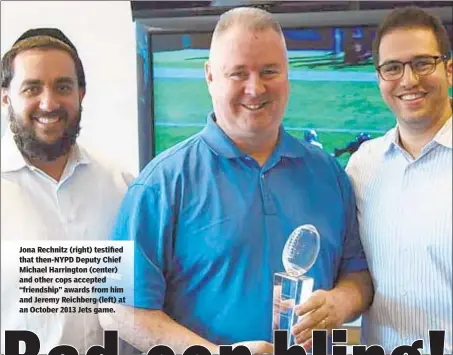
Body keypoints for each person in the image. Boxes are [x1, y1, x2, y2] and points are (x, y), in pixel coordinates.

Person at [101, 7, 373, 354]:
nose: (255, 88)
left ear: (288, 74)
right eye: (238, 73)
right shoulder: (156, 185)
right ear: (210, 76)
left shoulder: (329, 174)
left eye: (269, 71)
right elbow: (122, 310)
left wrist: (339, 303)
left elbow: (358, 276)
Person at [1, 28, 133, 353]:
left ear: (80, 94)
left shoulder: (123, 186)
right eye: (32, 88)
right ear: (6, 96)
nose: (49, 103)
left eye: (63, 87)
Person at [346, 6, 452, 354]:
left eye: (423, 63)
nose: (408, 80)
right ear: (379, 78)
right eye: (392, 67)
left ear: (449, 69)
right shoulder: (363, 166)